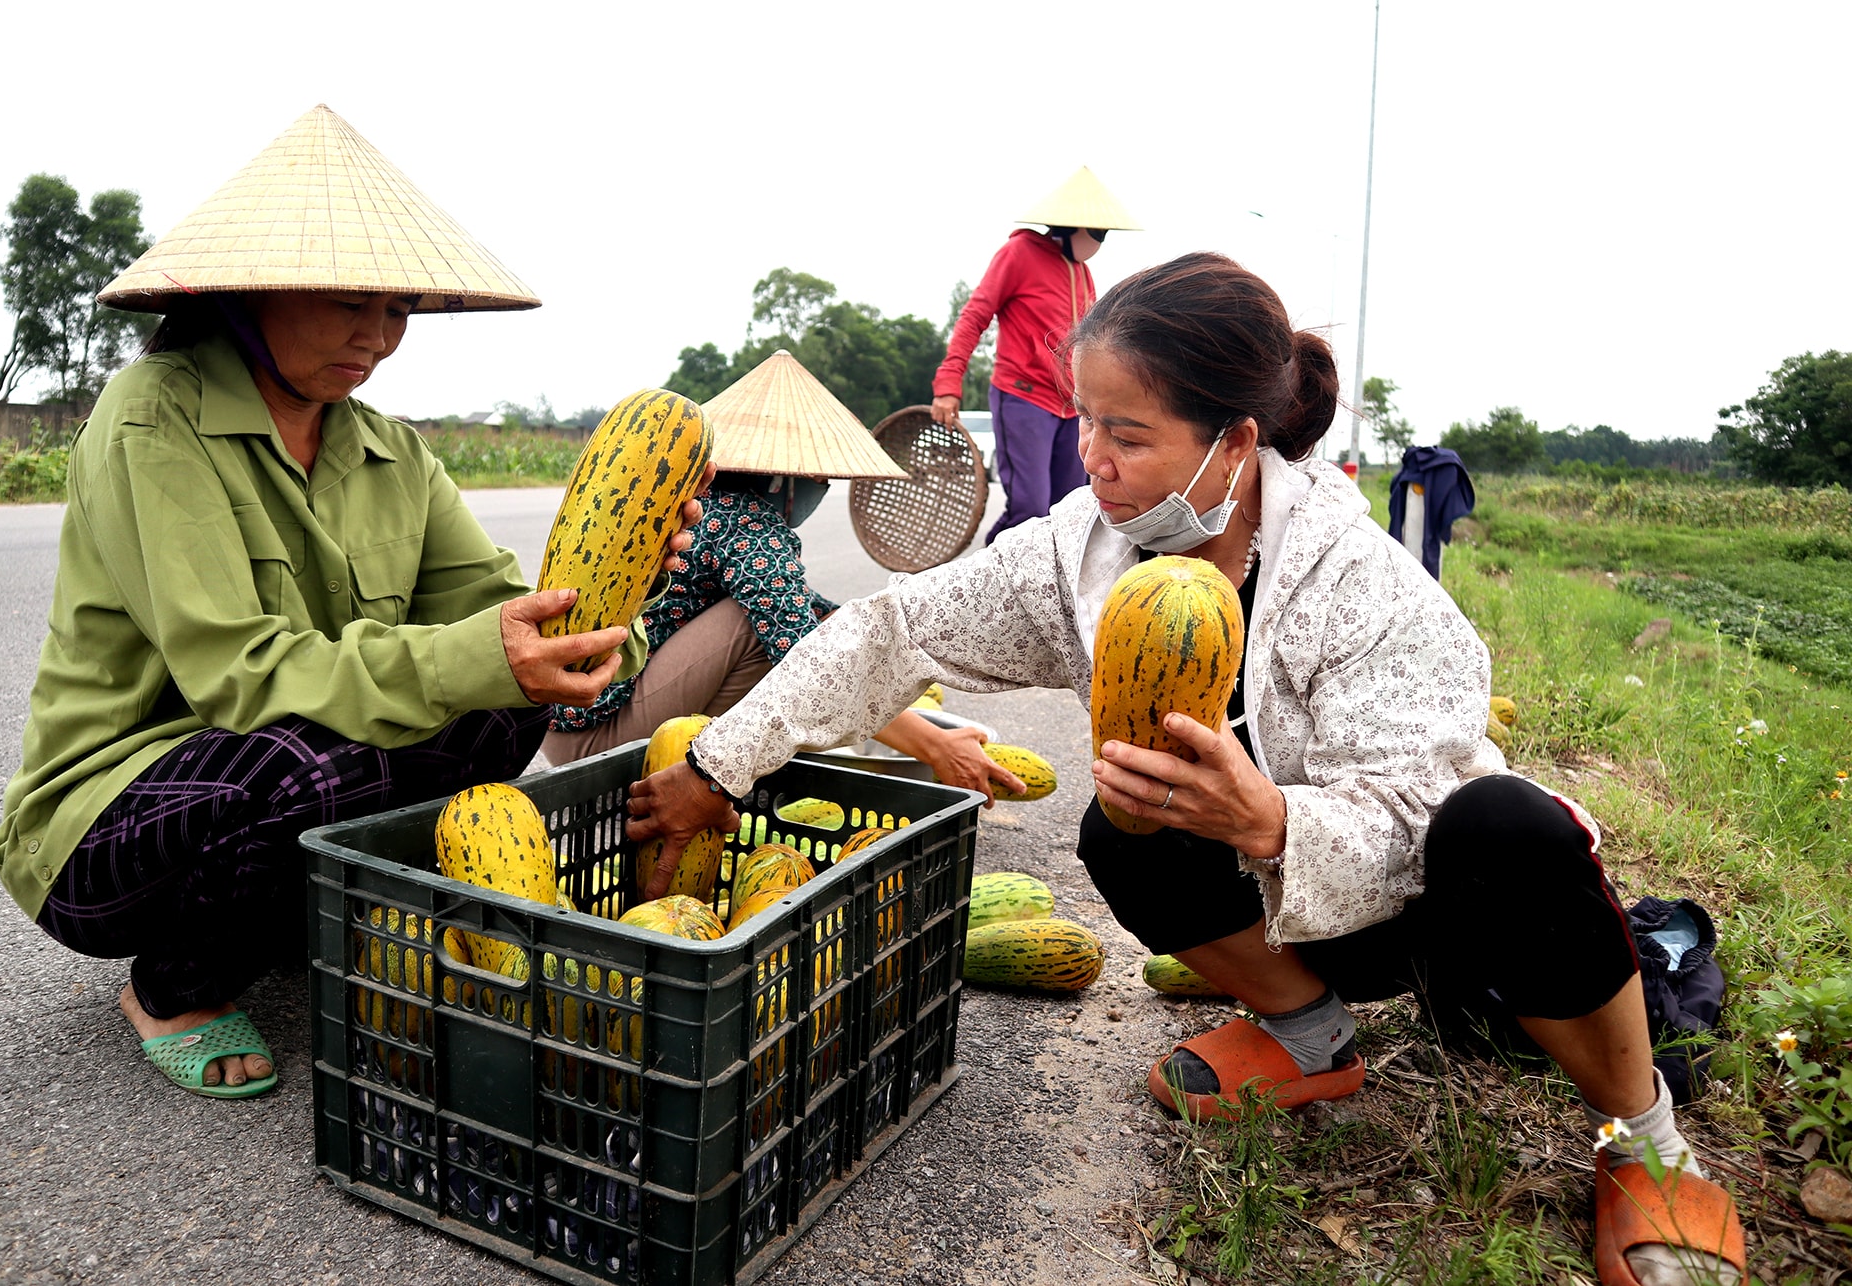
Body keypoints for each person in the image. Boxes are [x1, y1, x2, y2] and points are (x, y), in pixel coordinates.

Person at [630, 253, 1746, 1286]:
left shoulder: (1360, 583)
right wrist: (718, 769)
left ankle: (1646, 1146)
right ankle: (1312, 1041)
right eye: (1083, 424)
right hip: (1279, 923)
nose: (1094, 461)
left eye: (1129, 433)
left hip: (1427, 908)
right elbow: (886, 631)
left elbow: (1421, 804)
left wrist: (1273, 820)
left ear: (1233, 438)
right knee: (1120, 828)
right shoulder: (1083, 548)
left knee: (1507, 822)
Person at [0, 105, 703, 1101]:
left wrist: (611, 601)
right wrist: (475, 655)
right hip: (110, 821)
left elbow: (509, 624)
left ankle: (285, 913)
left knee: (504, 704)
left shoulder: (390, 451)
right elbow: (239, 677)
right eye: (348, 303)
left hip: (293, 767)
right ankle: (172, 988)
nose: (377, 337)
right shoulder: (151, 417)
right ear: (255, 291)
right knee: (299, 759)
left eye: (396, 308)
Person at [543, 349, 1025, 802]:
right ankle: (702, 776)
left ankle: (719, 767)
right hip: (593, 740)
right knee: (772, 643)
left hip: (563, 719)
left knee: (805, 630)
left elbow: (816, 613)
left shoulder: (708, 504)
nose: (822, 490)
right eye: (819, 482)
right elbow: (814, 660)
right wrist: (936, 745)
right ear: (782, 480)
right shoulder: (750, 524)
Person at [931, 166, 1140, 544]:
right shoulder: (1019, 253)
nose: (1100, 241)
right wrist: (948, 383)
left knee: (1070, 512)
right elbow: (975, 315)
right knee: (1030, 509)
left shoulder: (1083, 272)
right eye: (1097, 233)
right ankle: (984, 581)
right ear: (1069, 226)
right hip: (1023, 396)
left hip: (1071, 408)